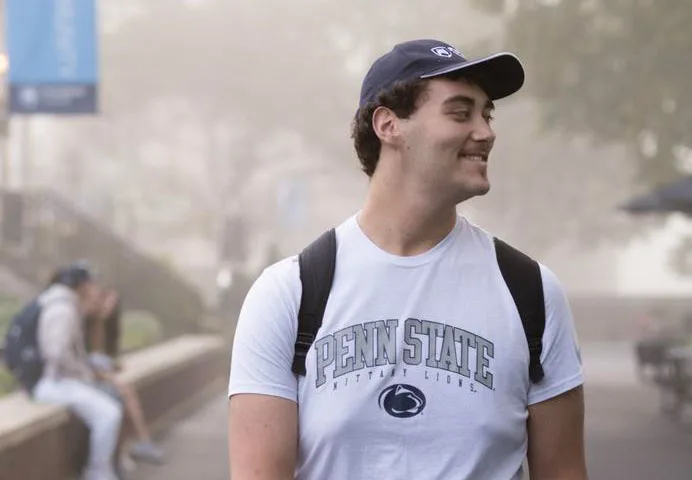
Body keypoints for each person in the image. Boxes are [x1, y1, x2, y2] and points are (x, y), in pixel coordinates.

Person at [226, 39, 588, 480]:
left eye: (486, 114)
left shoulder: (530, 291)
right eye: (460, 112)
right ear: (389, 125)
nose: (486, 131)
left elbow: (564, 470)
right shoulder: (288, 294)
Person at [27, 264, 127, 480]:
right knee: (108, 413)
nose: (96, 288)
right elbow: (56, 353)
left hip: (61, 379)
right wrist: (83, 374)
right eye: (92, 284)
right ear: (82, 285)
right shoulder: (62, 309)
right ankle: (98, 472)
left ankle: (106, 467)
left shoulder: (68, 305)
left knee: (111, 402)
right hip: (53, 382)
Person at [80, 285, 168, 467]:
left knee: (124, 396)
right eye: (106, 303)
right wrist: (106, 374)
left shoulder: (108, 331)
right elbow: (82, 363)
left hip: (104, 378)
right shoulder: (84, 326)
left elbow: (107, 359)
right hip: (89, 380)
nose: (109, 308)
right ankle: (139, 443)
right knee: (123, 395)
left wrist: (112, 367)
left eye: (113, 304)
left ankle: (131, 447)